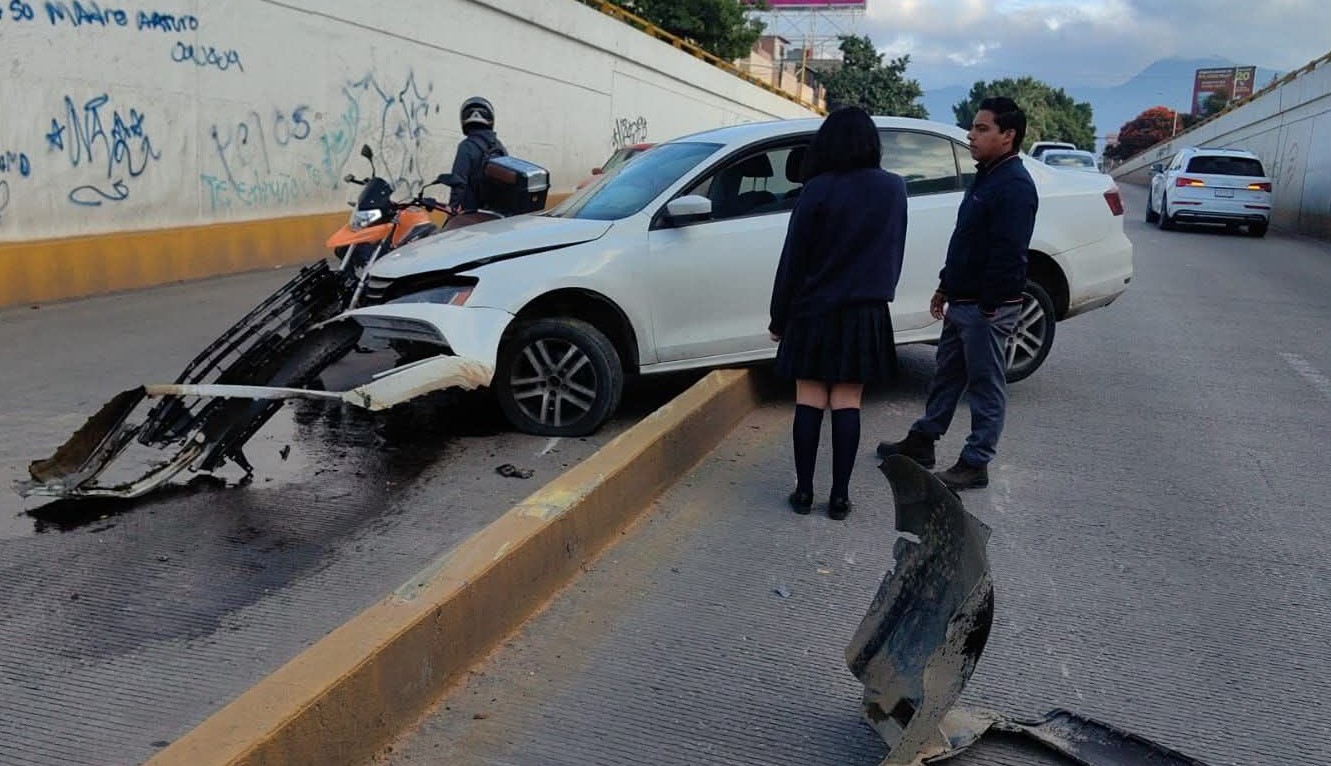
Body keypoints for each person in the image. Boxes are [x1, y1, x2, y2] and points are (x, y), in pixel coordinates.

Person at [877, 96, 1039, 491]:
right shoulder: (988, 175)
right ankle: (923, 441)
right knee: (946, 377)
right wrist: (945, 285)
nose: (971, 134)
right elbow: (966, 241)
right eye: (973, 127)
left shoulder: (1015, 186)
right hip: (962, 300)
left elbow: (1008, 253)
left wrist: (988, 307)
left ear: (1008, 136)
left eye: (982, 128)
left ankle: (975, 462)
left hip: (986, 308)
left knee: (985, 386)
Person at [768, 106, 908, 521]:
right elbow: (893, 251)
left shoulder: (817, 188)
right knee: (847, 401)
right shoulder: (893, 189)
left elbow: (793, 259)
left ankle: (805, 492)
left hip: (812, 310)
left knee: (809, 398)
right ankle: (841, 497)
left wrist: (779, 318)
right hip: (865, 311)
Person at [443, 96, 507, 227]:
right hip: (497, 214)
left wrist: (452, 210)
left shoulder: (466, 146)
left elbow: (458, 181)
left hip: (472, 215)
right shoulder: (499, 146)